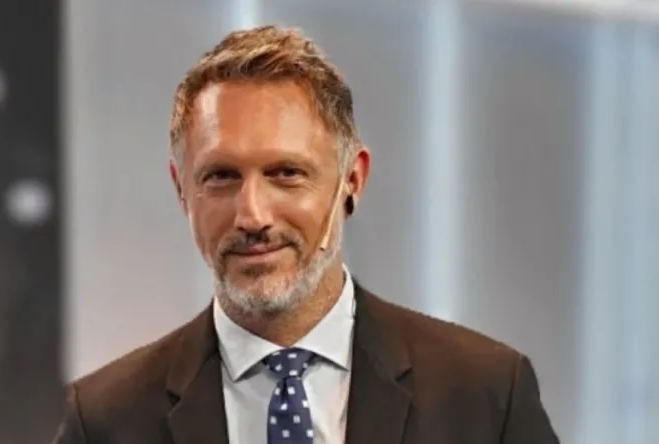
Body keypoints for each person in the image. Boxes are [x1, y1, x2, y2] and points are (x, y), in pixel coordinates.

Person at [52, 25, 559, 444]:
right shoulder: (104, 420)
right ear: (181, 189)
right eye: (221, 176)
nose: (253, 216)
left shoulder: (486, 395)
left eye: (286, 174)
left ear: (352, 180)